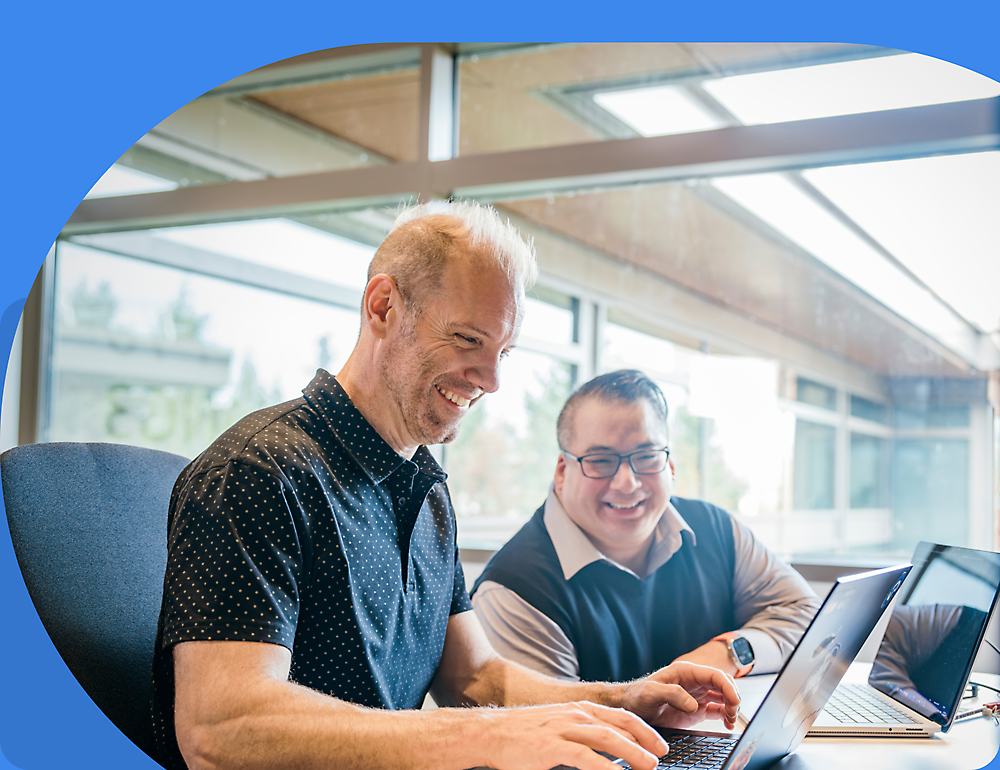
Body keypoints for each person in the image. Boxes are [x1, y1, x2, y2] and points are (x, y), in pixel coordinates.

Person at [152, 202, 740, 770]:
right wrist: (484, 736)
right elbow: (220, 730)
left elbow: (474, 677)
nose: (492, 380)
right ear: (383, 306)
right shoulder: (260, 473)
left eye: (503, 350)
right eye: (467, 340)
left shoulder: (427, 489)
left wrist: (624, 700)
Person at [472, 369, 821, 684]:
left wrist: (725, 655)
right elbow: (557, 736)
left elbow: (812, 622)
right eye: (601, 460)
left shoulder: (716, 530)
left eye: (646, 456)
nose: (627, 482)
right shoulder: (515, 590)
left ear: (669, 465)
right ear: (562, 470)